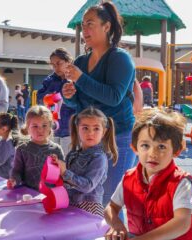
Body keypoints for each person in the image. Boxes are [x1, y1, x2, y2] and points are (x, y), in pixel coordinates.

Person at [62, 1, 136, 205]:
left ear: (107, 26)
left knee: (110, 201)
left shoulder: (120, 58)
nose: (84, 29)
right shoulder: (80, 62)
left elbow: (114, 97)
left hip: (117, 136)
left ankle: (114, 237)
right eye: (83, 25)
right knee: (87, 197)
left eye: (90, 24)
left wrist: (81, 79)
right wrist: (68, 95)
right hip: (89, 137)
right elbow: (78, 105)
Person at [104, 108, 192, 240]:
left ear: (176, 151)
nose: (152, 154)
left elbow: (182, 222)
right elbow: (111, 207)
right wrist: (116, 225)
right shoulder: (129, 178)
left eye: (161, 147)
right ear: (135, 148)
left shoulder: (181, 182)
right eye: (145, 145)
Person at [51, 107, 117, 217]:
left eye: (96, 129)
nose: (90, 133)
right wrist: (56, 167)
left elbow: (87, 186)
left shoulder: (99, 158)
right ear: (77, 129)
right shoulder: (72, 154)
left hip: (89, 207)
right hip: (70, 203)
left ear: (104, 132)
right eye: (85, 128)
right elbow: (64, 181)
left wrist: (65, 172)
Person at [8, 105, 64, 190]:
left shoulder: (57, 149)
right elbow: (17, 171)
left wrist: (59, 165)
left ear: (50, 127)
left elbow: (63, 174)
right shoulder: (22, 149)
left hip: (52, 196)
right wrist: (14, 180)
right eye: (35, 126)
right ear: (27, 128)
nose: (40, 130)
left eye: (44, 125)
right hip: (29, 195)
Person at [37, 48, 76, 155]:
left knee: (68, 160)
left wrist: (53, 97)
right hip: (54, 128)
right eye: (53, 65)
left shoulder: (75, 79)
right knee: (54, 160)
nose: (56, 67)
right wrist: (55, 97)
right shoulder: (49, 81)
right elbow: (40, 98)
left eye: (59, 63)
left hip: (71, 129)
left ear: (68, 62)